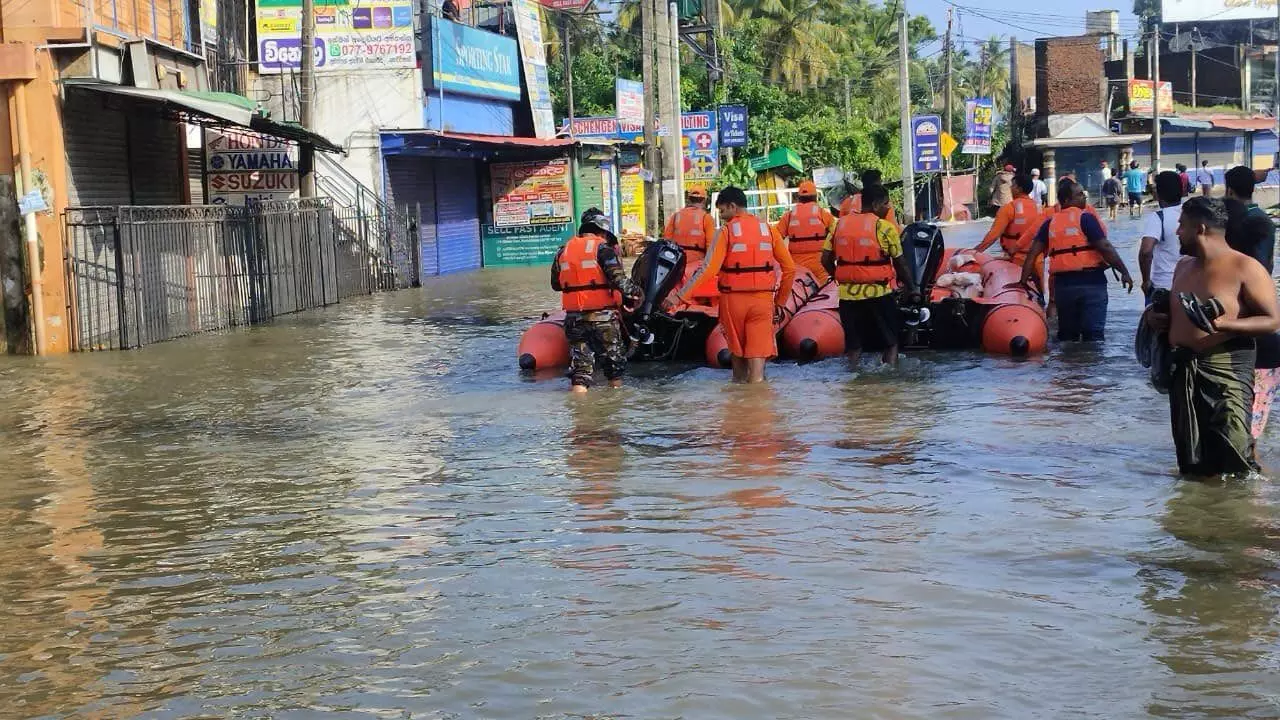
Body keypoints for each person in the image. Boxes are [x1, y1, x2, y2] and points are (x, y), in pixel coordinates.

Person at [1151, 197, 1280, 475]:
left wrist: (1226, 325)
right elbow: (1179, 312)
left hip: (1226, 370)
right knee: (1192, 460)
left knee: (1236, 454)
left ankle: (1248, 502)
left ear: (1200, 228)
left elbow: (1272, 321)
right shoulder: (1183, 266)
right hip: (1184, 372)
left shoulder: (1246, 268)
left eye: (1181, 226)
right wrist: (1156, 317)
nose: (1177, 232)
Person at [663, 186, 796, 383]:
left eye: (723, 211)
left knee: (738, 368)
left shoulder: (725, 232)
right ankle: (759, 399)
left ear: (733, 206)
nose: (722, 216)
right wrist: (780, 302)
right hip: (763, 302)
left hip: (733, 303)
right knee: (758, 370)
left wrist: (679, 296)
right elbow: (790, 269)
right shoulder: (768, 230)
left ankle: (737, 400)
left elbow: (707, 270)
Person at [1019, 179, 1134, 342]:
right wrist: (1124, 272)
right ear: (1066, 200)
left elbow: (1032, 254)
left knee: (1067, 337)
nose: (1084, 197)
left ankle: (1068, 358)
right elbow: (1105, 247)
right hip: (1092, 284)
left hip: (1063, 287)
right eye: (1079, 194)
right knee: (1094, 336)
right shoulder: (1086, 218)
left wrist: (1023, 282)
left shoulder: (1049, 223)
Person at [821, 184, 918, 366]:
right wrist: (912, 288)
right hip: (878, 295)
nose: (888, 207)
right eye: (886, 203)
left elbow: (825, 259)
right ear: (875, 204)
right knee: (891, 343)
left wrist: (838, 277)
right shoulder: (884, 228)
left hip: (847, 297)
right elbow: (900, 263)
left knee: (854, 347)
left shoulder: (838, 225)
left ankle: (853, 378)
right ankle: (890, 376)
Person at [551, 210, 644, 392]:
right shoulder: (603, 249)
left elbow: (556, 284)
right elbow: (619, 281)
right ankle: (616, 403)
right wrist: (638, 292)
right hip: (603, 318)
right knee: (614, 370)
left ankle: (579, 407)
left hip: (574, 319)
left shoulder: (563, 251)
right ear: (601, 232)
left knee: (580, 371)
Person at [662, 185, 718, 304]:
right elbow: (711, 249)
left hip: (676, 265)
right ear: (704, 200)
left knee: (672, 298)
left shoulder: (676, 216)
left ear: (688, 199)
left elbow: (666, 242)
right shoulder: (706, 218)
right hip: (696, 269)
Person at [776, 180, 836, 282]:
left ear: (799, 198)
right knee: (822, 290)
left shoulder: (789, 216)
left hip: (798, 266)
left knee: (801, 290)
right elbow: (836, 235)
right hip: (819, 265)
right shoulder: (823, 214)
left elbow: (776, 239)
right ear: (815, 197)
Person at [1138, 170, 1185, 301]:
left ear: (1158, 194)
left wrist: (1145, 281)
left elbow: (1146, 251)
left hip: (1163, 286)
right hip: (1190, 284)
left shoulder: (1158, 217)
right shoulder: (1192, 213)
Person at [1223, 165, 1276, 272]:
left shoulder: (1226, 219)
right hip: (1262, 277)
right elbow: (1268, 262)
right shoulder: (1265, 220)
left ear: (1229, 191)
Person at [975, 173, 1040, 258]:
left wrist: (975, 252)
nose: (1010, 188)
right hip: (1037, 258)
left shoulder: (1008, 208)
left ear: (1019, 189)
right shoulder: (1039, 208)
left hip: (1015, 258)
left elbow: (993, 236)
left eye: (1013, 185)